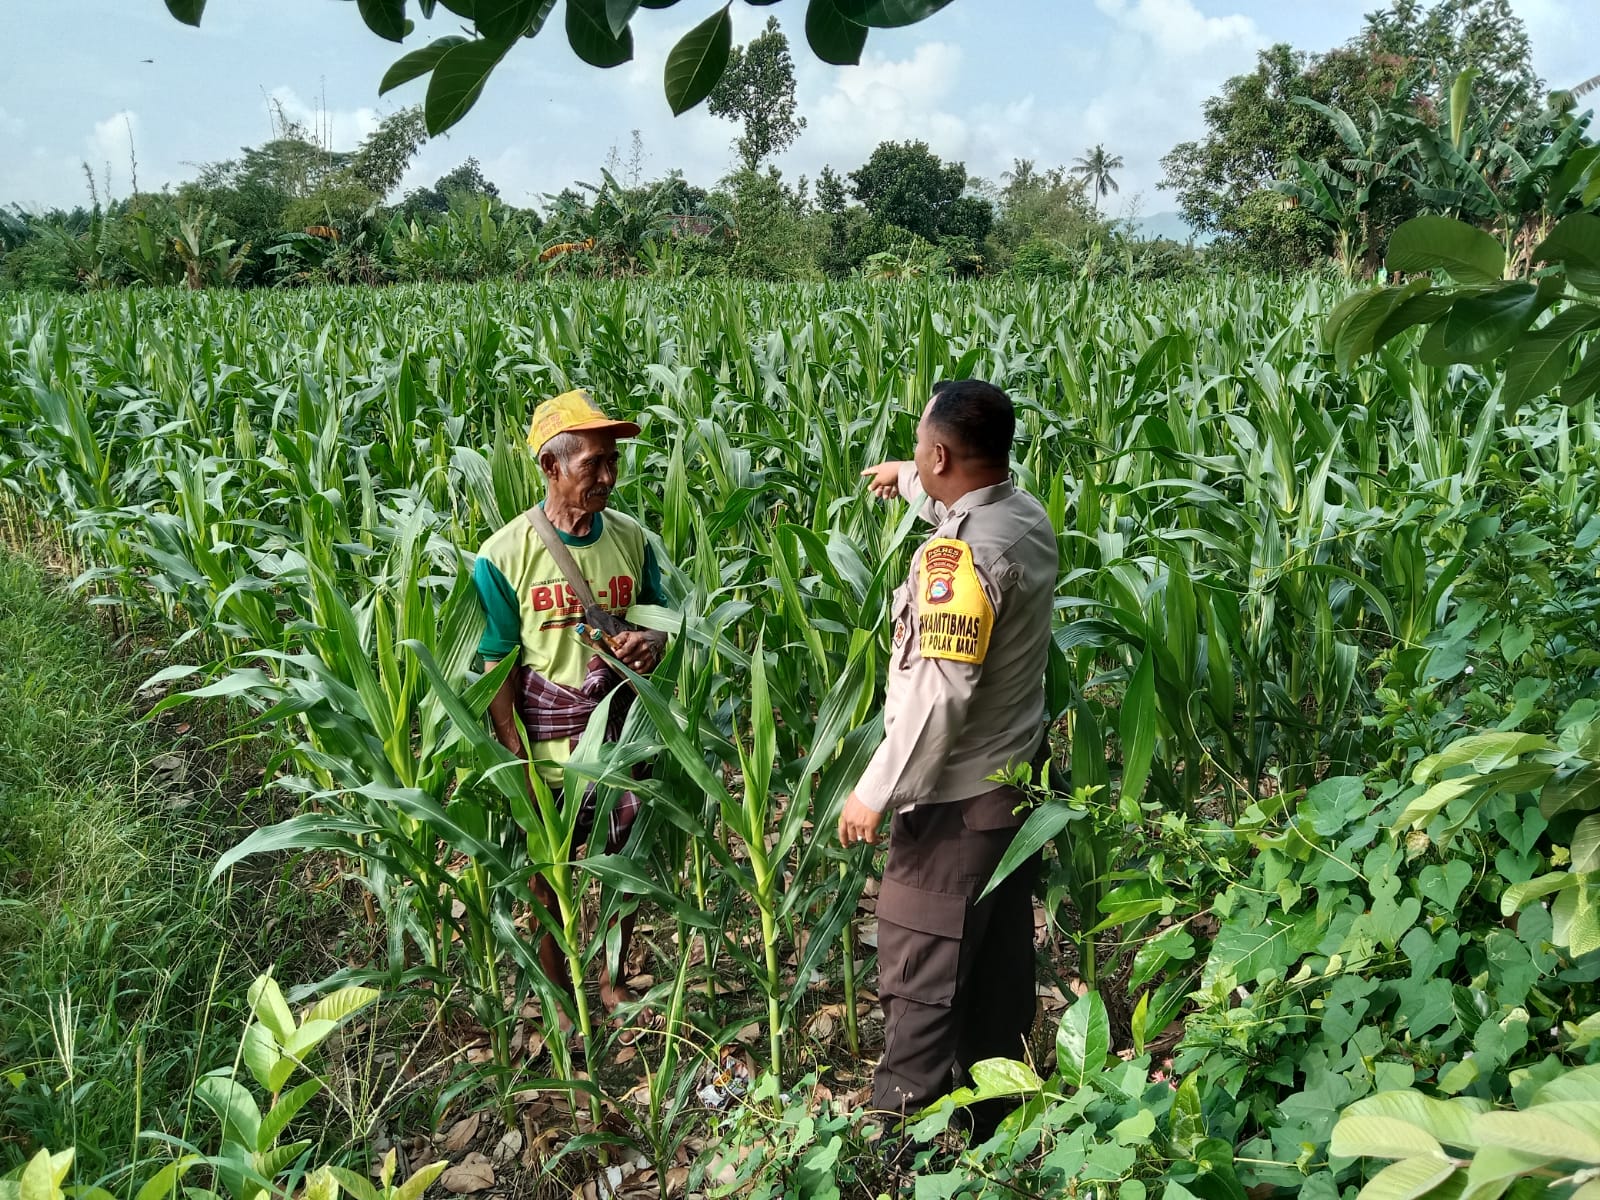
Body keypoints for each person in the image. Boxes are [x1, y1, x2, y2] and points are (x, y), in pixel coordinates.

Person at [843, 379, 1057, 1136]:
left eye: (919, 445)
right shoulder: (1023, 517)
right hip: (1013, 796)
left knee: (922, 985)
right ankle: (998, 1137)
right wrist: (905, 477)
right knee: (996, 977)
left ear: (943, 454)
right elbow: (960, 506)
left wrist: (875, 790)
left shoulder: (959, 563)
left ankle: (902, 1151)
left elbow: (938, 697)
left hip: (954, 810)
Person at [473, 387, 670, 1032]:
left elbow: (660, 618)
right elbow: (497, 663)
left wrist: (651, 642)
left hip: (618, 737)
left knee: (624, 864)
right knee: (548, 879)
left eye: (613, 461)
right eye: (593, 464)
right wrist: (517, 758)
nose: (608, 477)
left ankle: (611, 980)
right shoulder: (503, 556)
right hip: (547, 747)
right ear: (550, 467)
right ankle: (561, 999)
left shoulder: (633, 540)